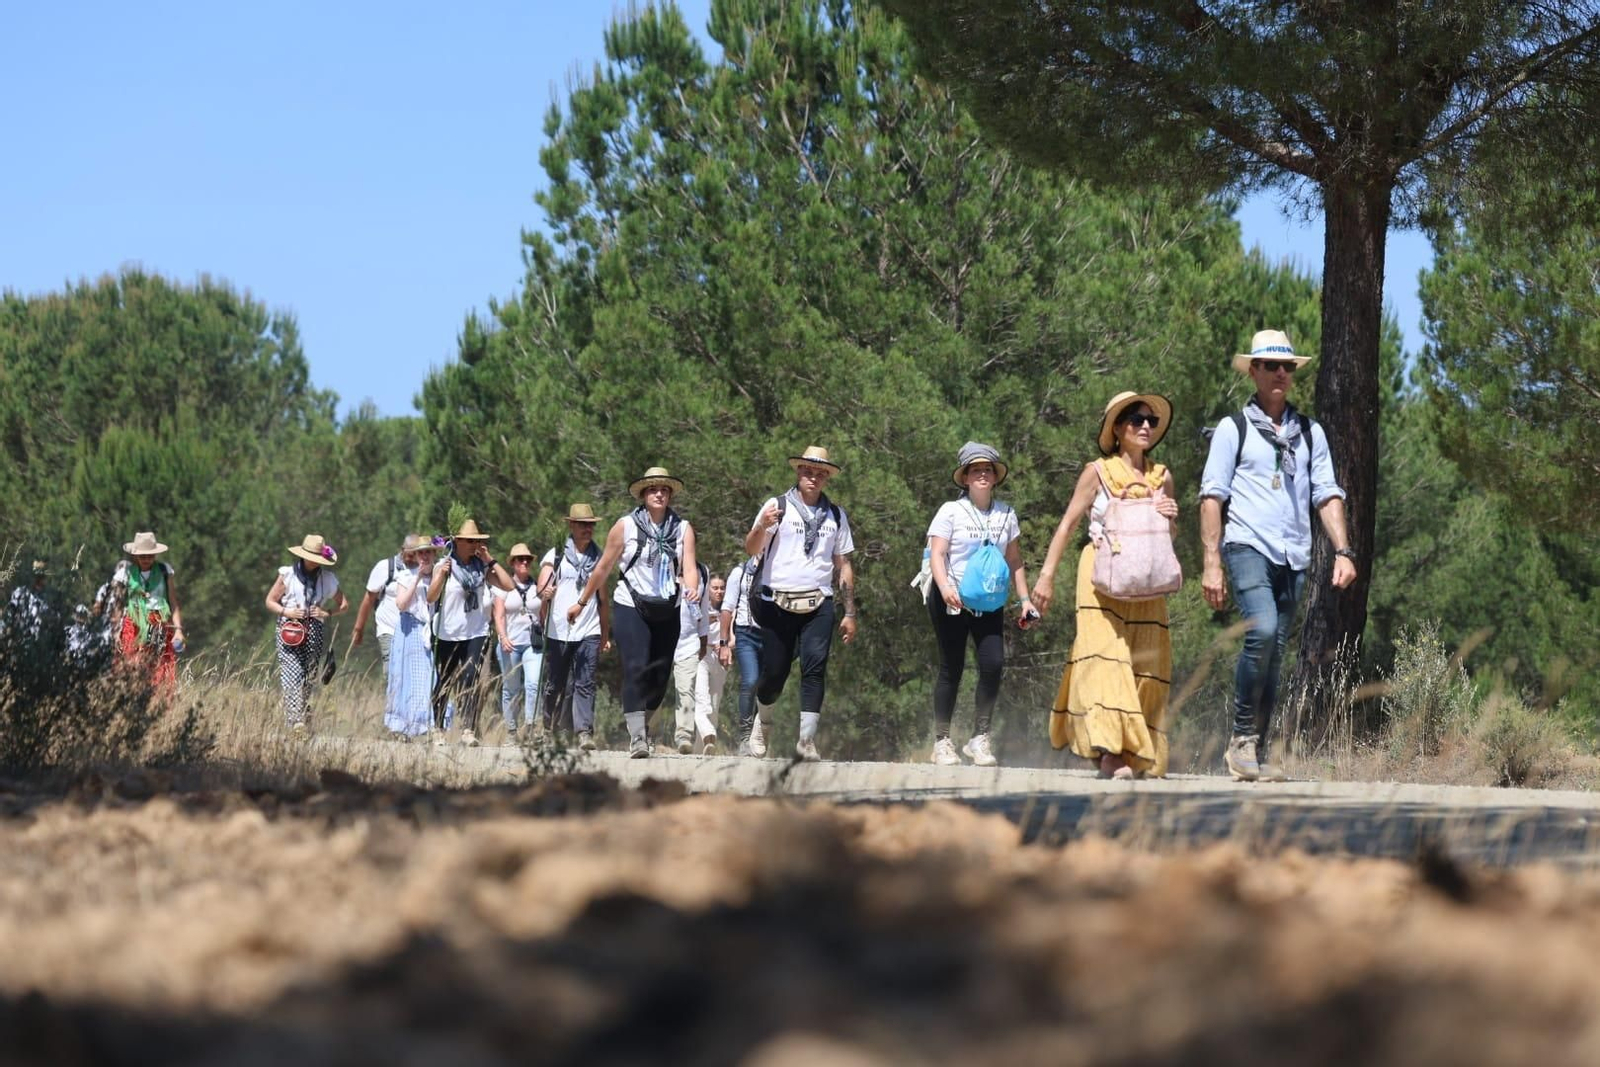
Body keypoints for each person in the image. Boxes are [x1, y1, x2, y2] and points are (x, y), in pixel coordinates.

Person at [1200, 330, 1356, 782]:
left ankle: (1256, 750)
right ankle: (1241, 740)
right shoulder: (1235, 428)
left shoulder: (1309, 432)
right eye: (1270, 366)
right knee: (1262, 630)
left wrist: (1343, 550)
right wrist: (1212, 563)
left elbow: (1327, 494)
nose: (1280, 374)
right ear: (1253, 371)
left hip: (1294, 555)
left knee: (1274, 652)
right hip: (1247, 544)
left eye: (1287, 367)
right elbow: (1211, 497)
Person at [1034, 393, 1180, 779]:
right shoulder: (1096, 472)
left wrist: (1170, 515)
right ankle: (1111, 751)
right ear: (1116, 429)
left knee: (1148, 666)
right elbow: (1067, 524)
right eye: (1135, 419)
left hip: (1147, 581)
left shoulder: (1162, 476)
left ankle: (1134, 751)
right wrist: (1046, 577)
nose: (1145, 425)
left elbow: (1167, 536)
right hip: (1099, 576)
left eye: (1150, 419)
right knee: (1105, 659)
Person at [569, 467, 700, 759]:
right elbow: (603, 567)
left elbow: (689, 567)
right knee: (636, 667)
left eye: (664, 490)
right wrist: (582, 601)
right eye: (653, 489)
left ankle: (645, 721)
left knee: (660, 675)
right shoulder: (625, 526)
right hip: (631, 603)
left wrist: (693, 589)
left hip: (669, 607)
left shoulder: (683, 529)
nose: (659, 493)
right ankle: (638, 737)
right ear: (643, 494)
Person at [743, 446, 857, 762]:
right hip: (777, 601)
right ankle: (763, 722)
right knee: (776, 672)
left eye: (821, 473)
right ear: (798, 471)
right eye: (808, 470)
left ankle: (806, 740)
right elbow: (751, 548)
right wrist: (761, 526)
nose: (814, 477)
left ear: (827, 478)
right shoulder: (776, 507)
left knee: (815, 667)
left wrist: (849, 611)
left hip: (819, 601)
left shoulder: (836, 515)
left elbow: (843, 563)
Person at [924, 443, 1035, 767]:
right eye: (976, 470)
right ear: (965, 478)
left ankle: (979, 737)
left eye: (988, 469)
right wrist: (945, 588)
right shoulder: (950, 511)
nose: (983, 474)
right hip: (953, 598)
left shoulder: (1006, 514)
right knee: (951, 667)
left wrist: (1025, 599)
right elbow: (937, 553)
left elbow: (1014, 560)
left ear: (995, 477)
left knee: (993, 665)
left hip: (990, 599)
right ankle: (942, 741)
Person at [427, 519, 514, 748]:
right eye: (469, 540)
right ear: (457, 542)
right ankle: (437, 728)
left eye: (477, 540)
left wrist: (490, 559)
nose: (474, 544)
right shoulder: (444, 565)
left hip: (476, 631)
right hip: (447, 632)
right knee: (444, 680)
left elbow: (509, 585)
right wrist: (440, 576)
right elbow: (431, 597)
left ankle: (467, 728)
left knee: (471, 679)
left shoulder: (482, 568)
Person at [538, 504, 611, 752]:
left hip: (588, 628)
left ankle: (584, 732)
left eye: (590, 524)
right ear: (571, 525)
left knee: (585, 681)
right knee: (555, 683)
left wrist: (604, 632)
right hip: (559, 629)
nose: (587, 529)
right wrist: (546, 594)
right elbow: (541, 590)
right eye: (582, 524)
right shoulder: (555, 555)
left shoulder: (599, 558)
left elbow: (603, 599)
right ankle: (548, 728)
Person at [265, 535, 349, 733]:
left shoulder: (327, 579)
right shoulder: (287, 575)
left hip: (314, 631)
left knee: (308, 676)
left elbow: (344, 605)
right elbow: (270, 600)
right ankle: (296, 721)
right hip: (290, 629)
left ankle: (300, 712)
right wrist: (287, 612)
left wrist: (327, 613)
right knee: (291, 672)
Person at [109, 532, 185, 687]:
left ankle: (160, 703)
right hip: (134, 625)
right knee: (132, 665)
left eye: (150, 556)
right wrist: (116, 630)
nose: (146, 560)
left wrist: (178, 629)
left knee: (161, 668)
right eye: (142, 556)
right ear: (136, 555)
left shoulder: (164, 571)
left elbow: (173, 602)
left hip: (160, 624)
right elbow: (116, 605)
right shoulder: (126, 573)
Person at [492, 543, 546, 744]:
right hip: (511, 644)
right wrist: (503, 637)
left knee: (533, 684)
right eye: (520, 559)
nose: (525, 562)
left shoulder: (537, 587)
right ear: (513, 563)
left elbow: (542, 613)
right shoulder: (502, 586)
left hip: (533, 644)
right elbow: (498, 614)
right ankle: (512, 730)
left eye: (528, 559)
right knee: (511, 688)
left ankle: (531, 727)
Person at [350, 534, 429, 670]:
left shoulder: (425, 571)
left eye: (413, 555)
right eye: (407, 554)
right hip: (389, 629)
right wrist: (359, 628)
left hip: (416, 633)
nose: (409, 559)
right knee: (392, 669)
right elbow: (369, 598)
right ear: (402, 549)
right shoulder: (386, 567)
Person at [385, 538, 437, 740]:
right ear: (415, 555)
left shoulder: (439, 576)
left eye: (429, 553)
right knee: (407, 677)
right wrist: (416, 579)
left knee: (429, 677)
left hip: (431, 629)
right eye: (421, 553)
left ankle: (427, 724)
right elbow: (401, 604)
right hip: (410, 627)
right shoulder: (406, 576)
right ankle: (403, 725)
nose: (425, 556)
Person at [719, 557, 764, 755]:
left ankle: (759, 735)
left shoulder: (780, 568)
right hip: (746, 634)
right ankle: (745, 736)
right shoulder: (740, 572)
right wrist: (723, 644)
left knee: (768, 686)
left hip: (772, 635)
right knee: (750, 680)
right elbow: (727, 608)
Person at [671, 562, 713, 754]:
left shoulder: (702, 572)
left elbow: (703, 610)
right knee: (655, 687)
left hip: (688, 640)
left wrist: (703, 639)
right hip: (661, 638)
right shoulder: (662, 563)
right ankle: (647, 733)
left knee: (686, 688)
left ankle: (684, 735)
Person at [697, 573, 730, 751]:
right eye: (715, 588)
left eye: (722, 588)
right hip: (702, 655)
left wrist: (724, 646)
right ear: (708, 589)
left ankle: (702, 747)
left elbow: (734, 637)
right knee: (702, 699)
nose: (719, 591)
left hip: (720, 658)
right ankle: (708, 735)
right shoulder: (700, 607)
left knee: (715, 704)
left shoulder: (728, 609)